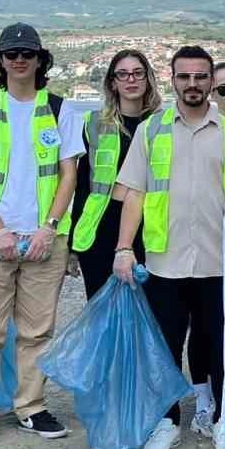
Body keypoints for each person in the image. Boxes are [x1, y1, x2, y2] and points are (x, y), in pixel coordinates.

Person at [114, 46, 225, 449]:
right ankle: (167, 422)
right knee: (165, 346)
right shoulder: (152, 129)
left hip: (220, 259)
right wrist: (125, 248)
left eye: (200, 77)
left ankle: (223, 422)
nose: (193, 84)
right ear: (173, 79)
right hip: (166, 260)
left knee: (219, 346)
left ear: (211, 80)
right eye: (184, 77)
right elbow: (136, 193)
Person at [0, 23, 84, 449]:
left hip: (44, 239)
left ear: (40, 59)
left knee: (37, 332)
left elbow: (69, 174)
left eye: (28, 52)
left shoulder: (62, 109)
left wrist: (50, 227)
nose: (20, 59)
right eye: (12, 54)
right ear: (1, 60)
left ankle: (30, 406)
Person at [70, 50, 159, 301]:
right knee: (101, 313)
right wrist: (72, 248)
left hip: (149, 228)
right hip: (100, 229)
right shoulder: (95, 123)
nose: (131, 80)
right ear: (113, 82)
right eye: (123, 74)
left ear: (148, 78)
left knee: (147, 313)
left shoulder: (162, 124)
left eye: (137, 73)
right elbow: (83, 184)